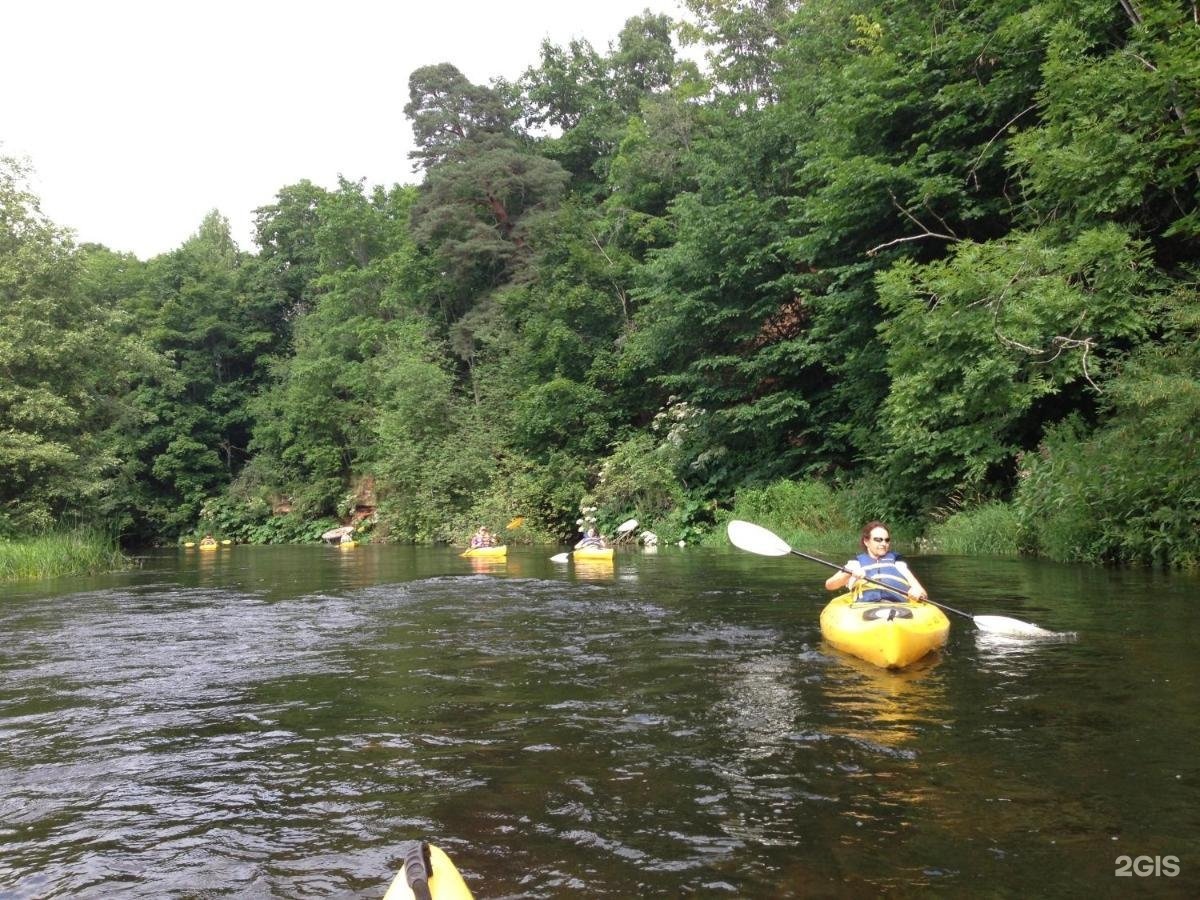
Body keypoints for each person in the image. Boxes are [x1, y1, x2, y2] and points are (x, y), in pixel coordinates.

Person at [824, 521, 928, 603]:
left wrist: (918, 593)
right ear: (866, 541)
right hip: (864, 609)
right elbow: (829, 585)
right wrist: (848, 573)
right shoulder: (855, 564)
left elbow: (923, 593)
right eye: (878, 539)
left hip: (897, 607)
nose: (884, 543)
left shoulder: (898, 564)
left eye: (887, 540)